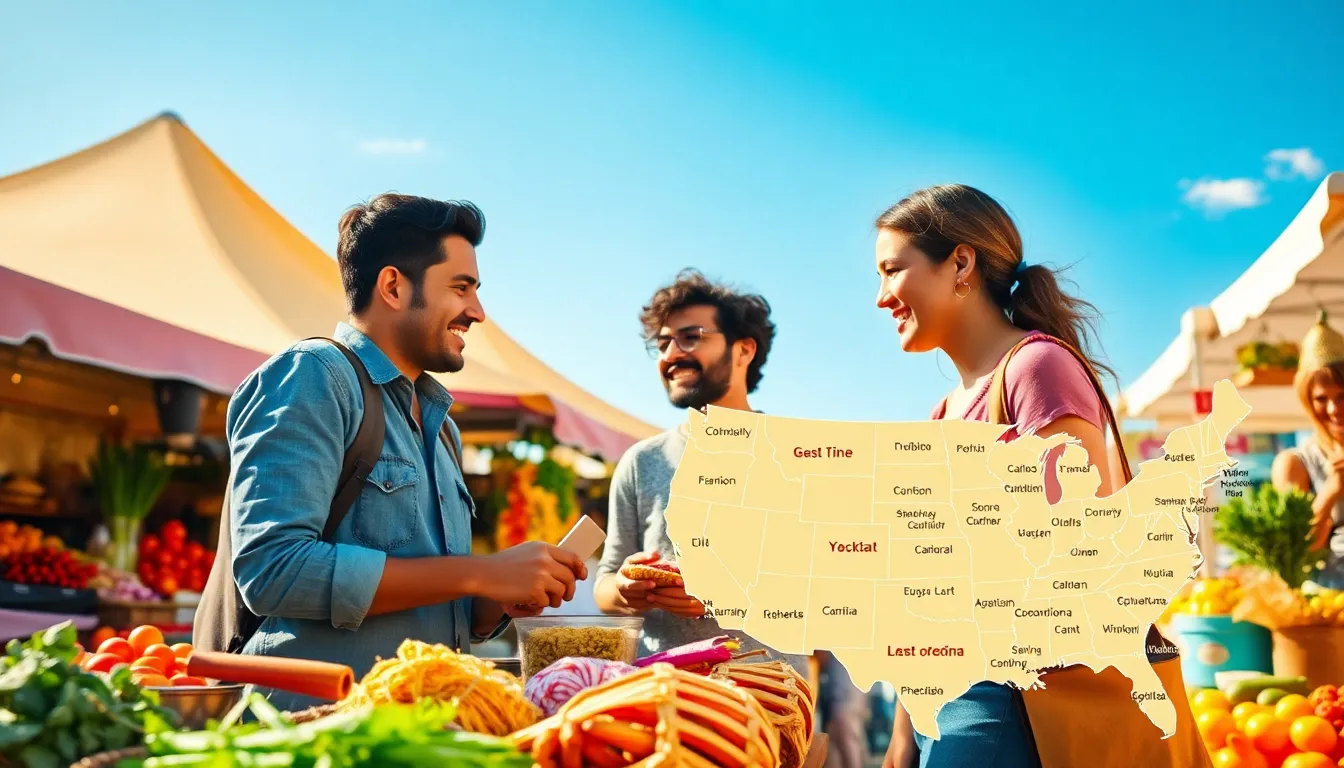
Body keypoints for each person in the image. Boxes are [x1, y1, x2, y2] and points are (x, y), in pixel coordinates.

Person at [872, 184, 1210, 768]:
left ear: (959, 262)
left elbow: (1074, 550)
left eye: (892, 271)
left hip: (1016, 697)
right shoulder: (944, 411)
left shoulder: (1036, 366)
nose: (882, 298)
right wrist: (904, 734)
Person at [225, 193, 586, 711]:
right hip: (319, 733)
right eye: (460, 288)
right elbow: (274, 571)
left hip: (423, 731)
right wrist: (480, 571)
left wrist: (496, 597)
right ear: (393, 286)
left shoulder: (441, 428)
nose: (477, 312)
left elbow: (433, 603)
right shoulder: (313, 376)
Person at [594, 269, 808, 672]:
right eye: (662, 343)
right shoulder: (642, 461)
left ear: (744, 350)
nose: (671, 354)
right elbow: (606, 580)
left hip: (771, 700)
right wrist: (625, 589)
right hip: (661, 696)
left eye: (690, 337)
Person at [1271, 310, 1344, 588]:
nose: (1333, 409)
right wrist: (1330, 492)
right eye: (1321, 398)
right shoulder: (1295, 464)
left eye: (1342, 396)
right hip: (1330, 609)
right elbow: (1295, 555)